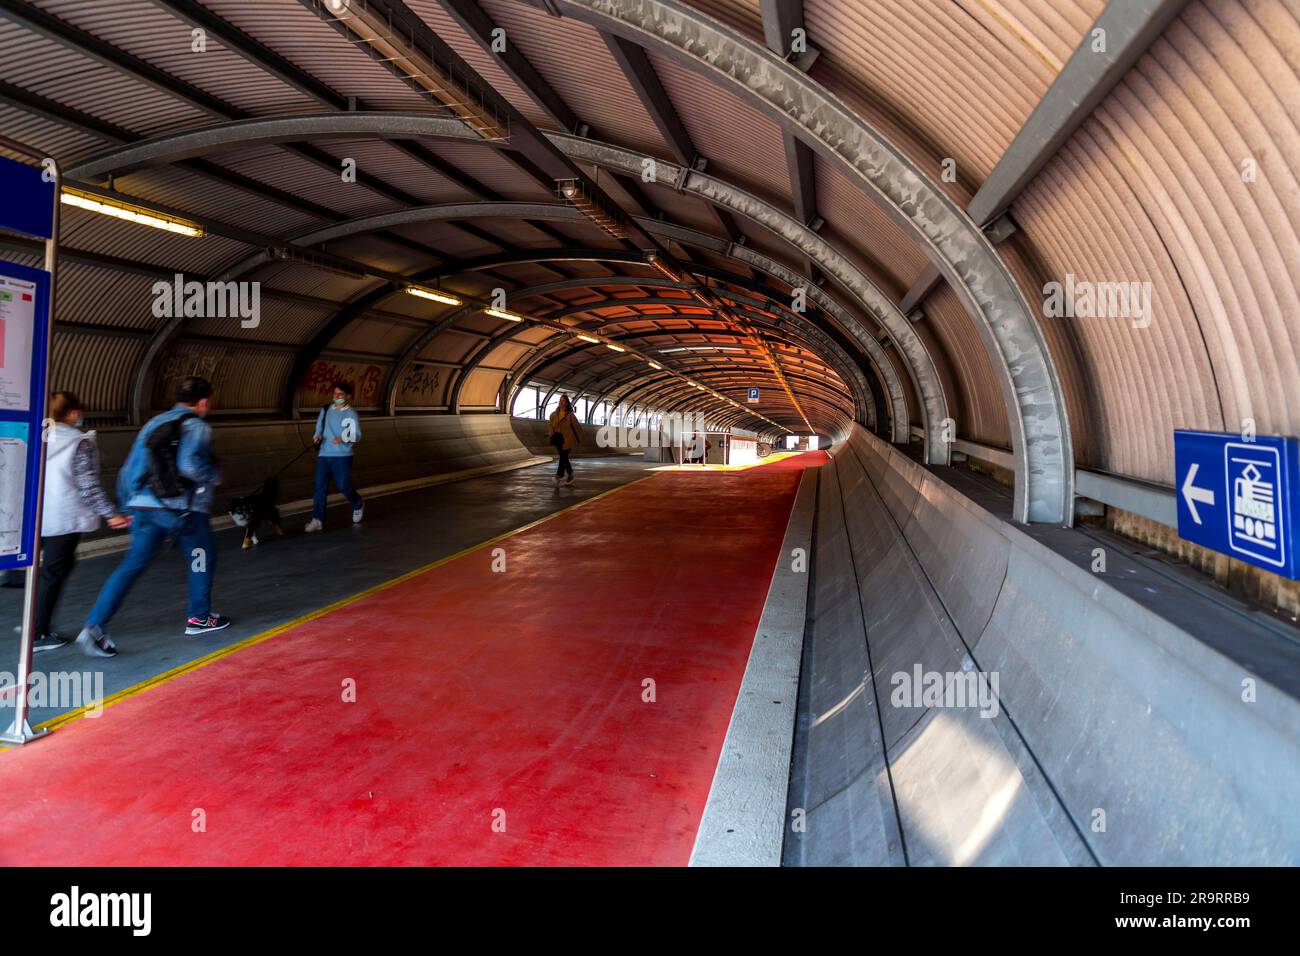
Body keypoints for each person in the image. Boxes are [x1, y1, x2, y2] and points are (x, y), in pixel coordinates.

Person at [73, 376, 230, 658]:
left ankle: (94, 627)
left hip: (145, 507)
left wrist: (129, 507)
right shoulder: (197, 426)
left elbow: (130, 469)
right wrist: (214, 474)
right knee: (201, 557)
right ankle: (199, 617)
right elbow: (190, 465)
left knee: (131, 566)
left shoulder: (153, 424)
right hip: (184, 510)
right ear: (204, 402)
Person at [29, 393, 130, 653]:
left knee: (45, 570)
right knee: (53, 572)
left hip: (38, 513)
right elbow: (87, 487)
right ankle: (38, 633)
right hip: (65, 515)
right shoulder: (77, 442)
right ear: (73, 413)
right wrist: (111, 513)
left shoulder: (37, 436)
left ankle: (35, 626)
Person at [304, 381, 363, 532]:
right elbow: (319, 427)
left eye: (340, 394)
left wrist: (342, 439)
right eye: (335, 394)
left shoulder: (351, 413)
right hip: (324, 453)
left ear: (347, 396)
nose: (336, 397)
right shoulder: (325, 410)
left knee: (343, 485)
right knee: (319, 487)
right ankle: (317, 519)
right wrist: (317, 437)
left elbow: (356, 435)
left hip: (342, 455)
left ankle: (357, 503)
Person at [546, 395, 583, 486]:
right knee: (564, 458)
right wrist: (551, 434)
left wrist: (579, 439)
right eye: (560, 400)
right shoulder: (554, 414)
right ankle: (570, 475)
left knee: (563, 456)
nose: (561, 402)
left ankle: (558, 476)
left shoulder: (570, 415)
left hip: (567, 439)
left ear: (566, 403)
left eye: (563, 401)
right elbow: (550, 425)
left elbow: (577, 427)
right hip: (558, 438)